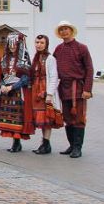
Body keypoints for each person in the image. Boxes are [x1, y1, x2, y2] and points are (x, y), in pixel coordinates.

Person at [52, 20, 93, 159]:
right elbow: (53, 68)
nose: (64, 31)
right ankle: (71, 145)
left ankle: (77, 147)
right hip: (64, 87)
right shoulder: (58, 49)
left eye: (66, 29)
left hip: (78, 88)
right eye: (61, 29)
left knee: (78, 118)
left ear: (71, 30)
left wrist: (87, 89)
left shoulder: (82, 48)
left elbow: (89, 69)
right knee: (68, 118)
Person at [0, 32, 34, 152]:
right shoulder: (4, 59)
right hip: (6, 92)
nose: (12, 47)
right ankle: (14, 141)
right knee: (9, 117)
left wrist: (12, 87)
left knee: (18, 117)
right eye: (10, 44)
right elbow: (0, 75)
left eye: (15, 44)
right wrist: (2, 85)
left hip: (18, 91)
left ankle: (17, 142)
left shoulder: (24, 59)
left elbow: (26, 77)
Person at [30, 34, 62, 155]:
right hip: (36, 91)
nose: (39, 45)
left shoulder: (50, 58)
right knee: (41, 119)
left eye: (42, 43)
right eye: (37, 42)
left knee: (47, 119)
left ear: (46, 44)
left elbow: (54, 77)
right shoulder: (35, 58)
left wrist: (49, 94)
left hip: (45, 90)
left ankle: (46, 143)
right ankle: (44, 144)